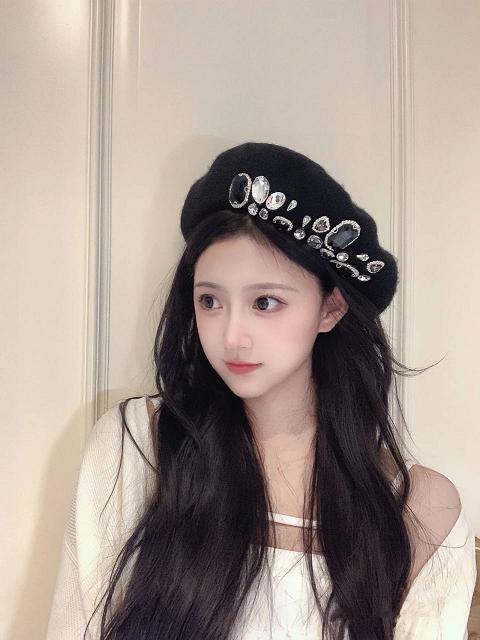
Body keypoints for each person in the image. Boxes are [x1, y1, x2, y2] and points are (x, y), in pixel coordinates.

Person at [46, 142, 477, 639]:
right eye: (210, 301)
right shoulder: (136, 446)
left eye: (266, 302)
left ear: (330, 308)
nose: (231, 336)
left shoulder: (420, 511)